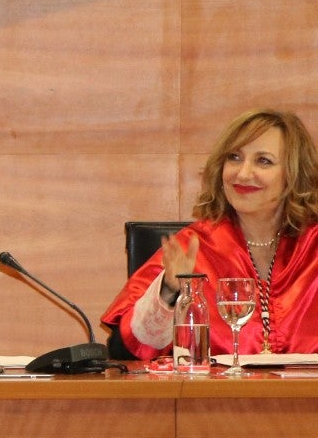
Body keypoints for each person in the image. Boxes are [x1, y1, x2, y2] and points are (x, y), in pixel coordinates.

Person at [103, 107, 318, 357]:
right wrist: (169, 292)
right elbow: (124, 350)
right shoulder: (194, 246)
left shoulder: (313, 246)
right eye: (234, 157)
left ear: (294, 174)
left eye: (263, 161)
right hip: (214, 396)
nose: (243, 173)